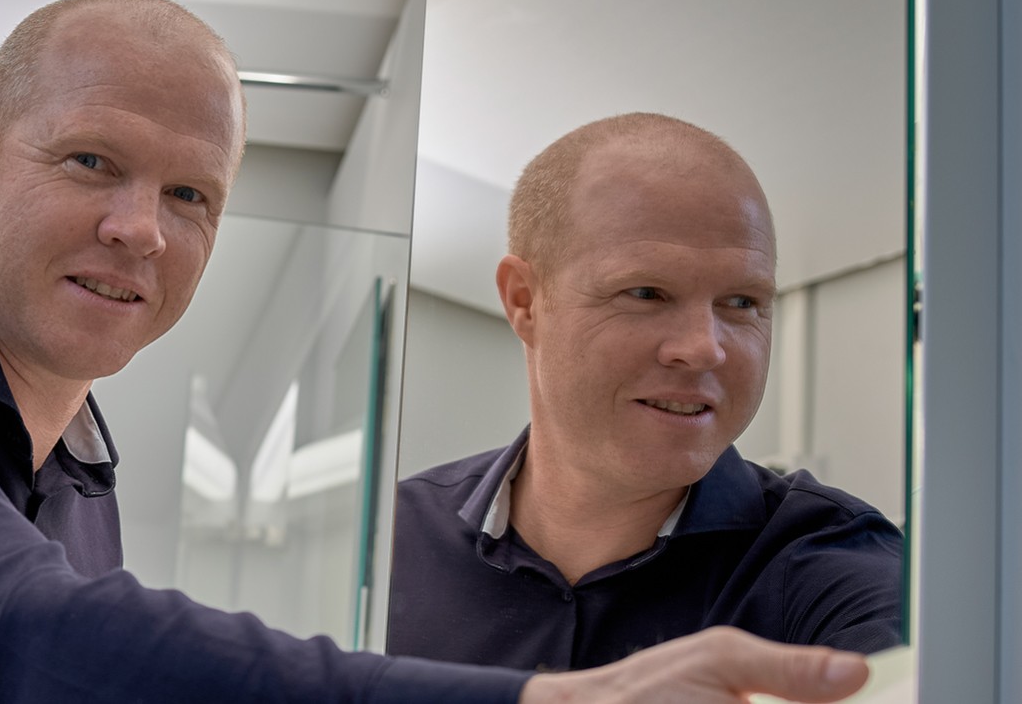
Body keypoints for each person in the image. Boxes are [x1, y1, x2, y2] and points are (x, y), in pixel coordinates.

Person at [0, 0, 872, 703]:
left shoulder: (78, 470)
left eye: (191, 197)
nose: (136, 230)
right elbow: (33, 645)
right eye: (92, 162)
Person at [386, 113, 903, 672]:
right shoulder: (393, 542)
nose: (705, 349)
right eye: (647, 292)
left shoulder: (835, 566)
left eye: (742, 302)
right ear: (524, 301)